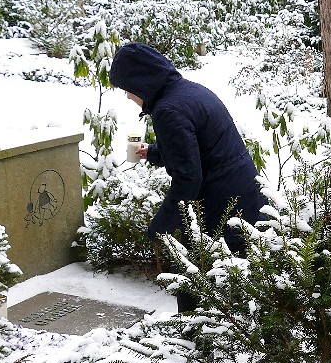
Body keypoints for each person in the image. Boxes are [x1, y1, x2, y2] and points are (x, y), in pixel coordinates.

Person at [109, 42, 265, 312]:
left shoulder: (168, 110)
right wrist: (154, 153)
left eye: (126, 88)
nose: (126, 96)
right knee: (239, 281)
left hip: (222, 206)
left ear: (140, 81)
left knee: (196, 281)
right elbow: (200, 148)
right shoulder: (189, 91)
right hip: (244, 194)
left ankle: (193, 344)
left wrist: (162, 226)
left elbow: (188, 178)